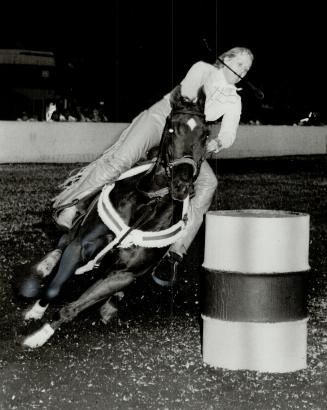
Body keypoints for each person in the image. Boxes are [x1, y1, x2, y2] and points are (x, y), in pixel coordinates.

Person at [52, 46, 254, 282]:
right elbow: (186, 101)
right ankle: (72, 206)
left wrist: (218, 142)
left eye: (247, 69)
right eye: (240, 64)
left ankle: (176, 251)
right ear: (226, 59)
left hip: (185, 138)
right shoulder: (203, 69)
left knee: (209, 184)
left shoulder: (234, 99)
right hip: (164, 118)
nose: (242, 71)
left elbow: (230, 132)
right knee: (121, 161)